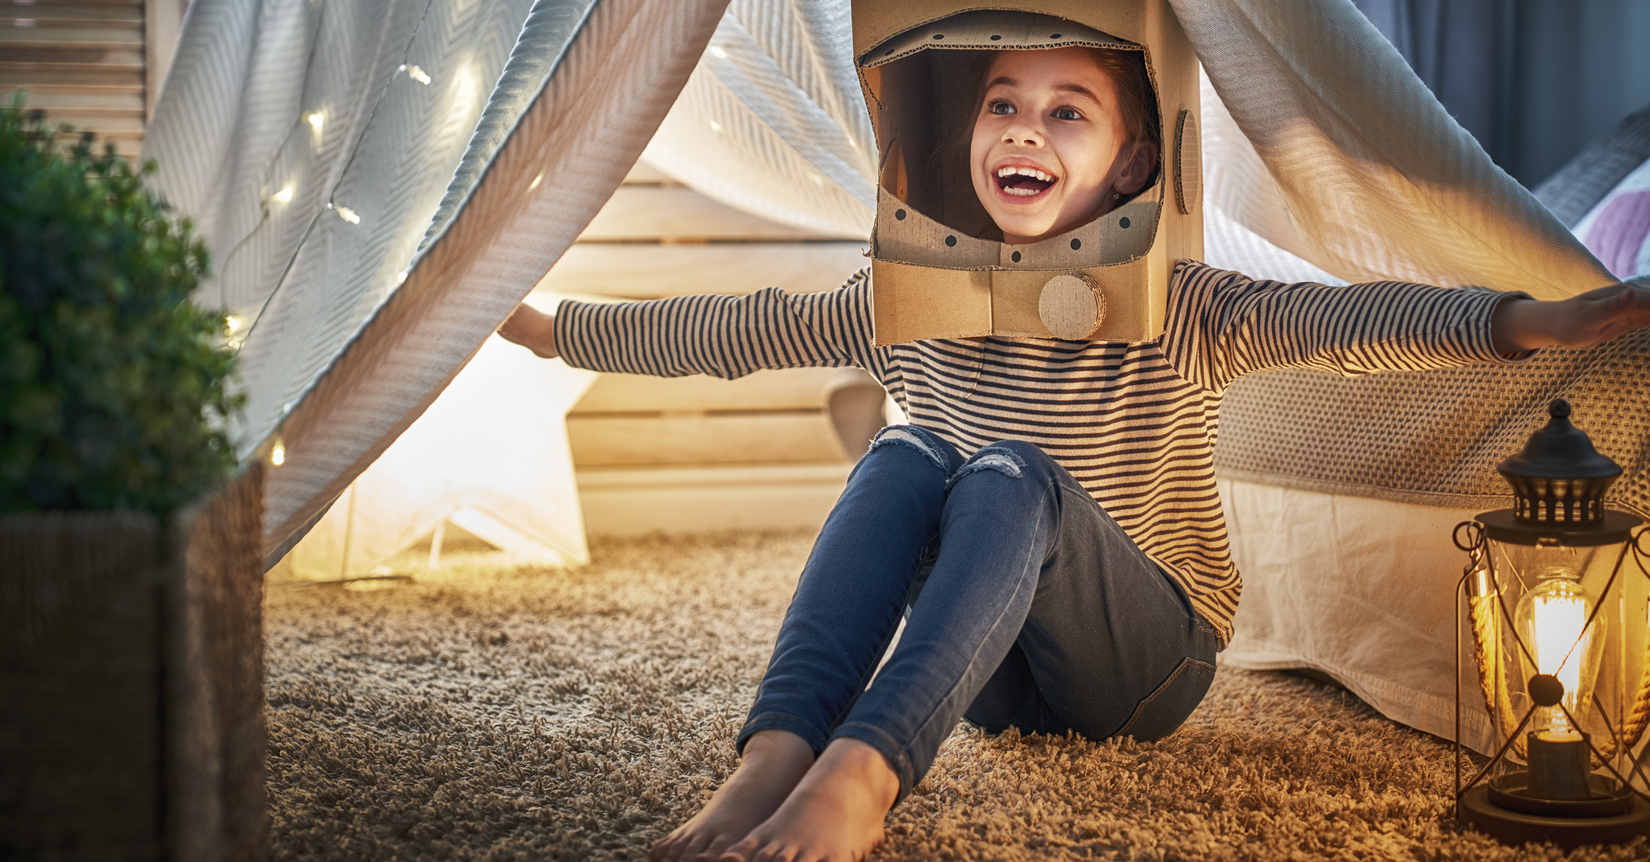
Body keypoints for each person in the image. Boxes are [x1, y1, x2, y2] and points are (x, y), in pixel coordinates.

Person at [499, 43, 1650, 862]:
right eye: (1003, 104)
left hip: (1145, 668)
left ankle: (863, 777)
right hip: (989, 677)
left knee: (1009, 471)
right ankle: (778, 753)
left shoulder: (1184, 304)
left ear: (1129, 167)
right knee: (901, 458)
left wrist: (1529, 322)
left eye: (1066, 113)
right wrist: (555, 331)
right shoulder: (907, 300)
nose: (1023, 128)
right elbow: (738, 328)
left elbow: (1352, 325)